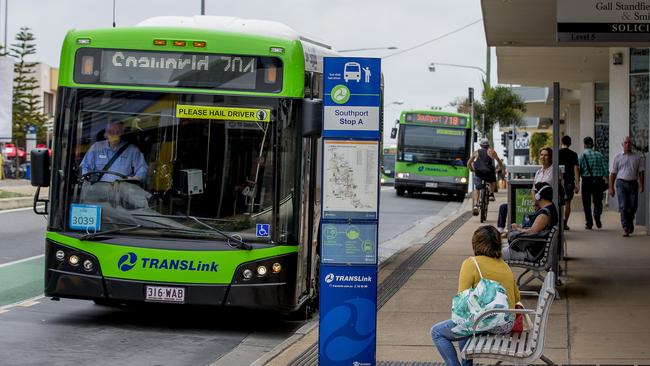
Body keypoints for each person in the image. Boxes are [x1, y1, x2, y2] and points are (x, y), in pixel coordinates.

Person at [431, 225, 520, 366]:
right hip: (506, 323)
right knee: (467, 324)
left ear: (476, 244)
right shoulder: (504, 265)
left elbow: (461, 300)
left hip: (489, 322)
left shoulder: (471, 263)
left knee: (437, 332)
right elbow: (517, 297)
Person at [496, 147, 555, 232]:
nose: (543, 157)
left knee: (525, 218)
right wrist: (534, 202)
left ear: (550, 157)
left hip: (545, 203)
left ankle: (517, 230)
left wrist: (540, 203)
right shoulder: (539, 172)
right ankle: (501, 231)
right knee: (504, 207)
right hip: (537, 202)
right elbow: (533, 188)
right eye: (541, 155)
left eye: (545, 155)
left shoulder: (554, 171)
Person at [502, 182, 558, 261]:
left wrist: (518, 229)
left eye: (533, 194)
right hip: (535, 250)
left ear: (538, 196)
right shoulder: (550, 208)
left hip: (531, 253)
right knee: (496, 247)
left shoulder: (544, 215)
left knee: (493, 253)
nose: (532, 197)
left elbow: (532, 232)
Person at [80, 120, 148, 183]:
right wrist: (87, 179)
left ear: (122, 133)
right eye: (111, 132)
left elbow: (142, 169)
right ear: (105, 134)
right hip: (99, 190)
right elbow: (85, 167)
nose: (114, 135)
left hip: (122, 191)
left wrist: (136, 178)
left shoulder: (133, 150)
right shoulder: (96, 148)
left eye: (117, 132)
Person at [609, 136, 645, 237]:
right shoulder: (617, 157)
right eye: (625, 143)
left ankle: (629, 224)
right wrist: (611, 187)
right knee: (624, 206)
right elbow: (613, 173)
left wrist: (642, 185)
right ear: (622, 144)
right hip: (621, 184)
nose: (627, 144)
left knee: (633, 207)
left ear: (631, 145)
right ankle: (626, 228)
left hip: (633, 183)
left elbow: (641, 172)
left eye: (629, 143)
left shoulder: (637, 157)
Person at [579, 136, 608, 230]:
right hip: (598, 180)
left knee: (586, 202)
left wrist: (577, 180)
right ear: (593, 144)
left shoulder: (582, 155)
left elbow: (578, 169)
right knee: (598, 201)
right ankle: (597, 215)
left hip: (586, 180)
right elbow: (605, 170)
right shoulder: (599, 155)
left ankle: (589, 223)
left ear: (584, 145)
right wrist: (608, 181)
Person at [468, 138, 503, 215]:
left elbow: (468, 163)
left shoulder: (476, 152)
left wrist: (471, 169)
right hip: (488, 172)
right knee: (492, 180)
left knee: (477, 188)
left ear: (480, 145)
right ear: (488, 145)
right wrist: (500, 168)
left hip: (479, 172)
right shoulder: (492, 152)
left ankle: (476, 205)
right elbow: (499, 162)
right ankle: (491, 194)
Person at [558, 136, 580, 230]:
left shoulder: (557, 153)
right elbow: (575, 168)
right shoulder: (574, 154)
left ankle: (558, 223)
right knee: (568, 203)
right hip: (569, 181)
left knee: (558, 202)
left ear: (561, 142)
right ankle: (565, 223)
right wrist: (577, 183)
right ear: (570, 143)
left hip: (558, 180)